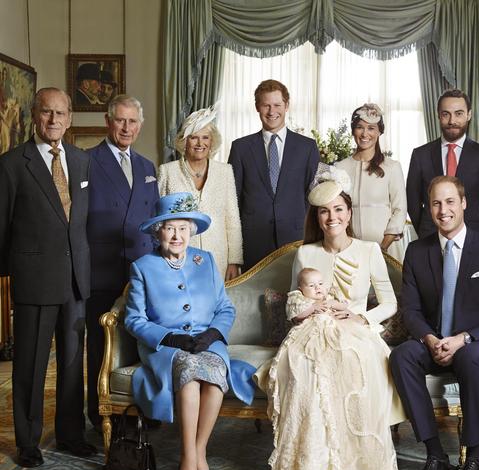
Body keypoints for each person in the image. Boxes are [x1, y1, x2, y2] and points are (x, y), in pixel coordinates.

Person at [255, 168, 405, 470]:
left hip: (357, 332)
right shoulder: (305, 253)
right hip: (311, 333)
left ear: (349, 213)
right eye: (324, 211)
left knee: (354, 365)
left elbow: (390, 303)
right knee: (305, 371)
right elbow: (294, 300)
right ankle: (314, 466)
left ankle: (357, 467)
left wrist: (360, 317)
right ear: (317, 217)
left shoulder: (369, 250)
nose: (331, 217)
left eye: (338, 209)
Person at [390, 176, 479, 470]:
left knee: (471, 357)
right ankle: (436, 456)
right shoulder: (417, 251)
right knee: (402, 355)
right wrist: (430, 339)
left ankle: (474, 458)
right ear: (429, 208)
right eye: (435, 203)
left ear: (463, 204)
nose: (443, 209)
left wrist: (463, 339)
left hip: (477, 342)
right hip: (434, 340)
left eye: (449, 202)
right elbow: (411, 310)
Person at [124, 192, 256, 470]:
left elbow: (225, 308)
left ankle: (197, 451)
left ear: (191, 231)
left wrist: (212, 335)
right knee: (191, 374)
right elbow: (134, 320)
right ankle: (188, 456)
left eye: (183, 228)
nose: (177, 235)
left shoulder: (206, 261)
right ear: (158, 232)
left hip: (206, 341)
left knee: (213, 376)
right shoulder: (142, 267)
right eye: (169, 228)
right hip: (166, 347)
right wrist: (170, 338)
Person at [0, 87, 96, 467]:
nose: (53, 120)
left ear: (69, 118)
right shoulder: (11, 164)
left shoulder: (80, 160)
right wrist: (11, 277)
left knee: (72, 364)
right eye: (46, 113)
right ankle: (27, 441)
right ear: (34, 115)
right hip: (34, 279)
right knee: (30, 364)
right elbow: (1, 227)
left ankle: (71, 434)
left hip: (76, 279)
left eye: (60, 113)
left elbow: (80, 222)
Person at [86, 94, 159, 430]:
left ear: (140, 126)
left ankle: (142, 409)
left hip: (141, 269)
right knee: (102, 346)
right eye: (121, 120)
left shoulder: (146, 167)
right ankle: (101, 412)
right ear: (108, 121)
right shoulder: (87, 161)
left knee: (140, 343)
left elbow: (155, 220)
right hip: (102, 268)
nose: (127, 127)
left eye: (133, 122)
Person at [228, 79, 320, 271]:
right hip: (253, 242)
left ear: (287, 105)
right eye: (266, 105)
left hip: (296, 239)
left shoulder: (307, 147)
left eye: (277, 105)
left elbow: (313, 197)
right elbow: (232, 201)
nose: (272, 112)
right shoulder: (241, 148)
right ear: (257, 107)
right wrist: (233, 254)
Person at [158, 104, 243, 280]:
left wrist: (234, 261)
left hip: (219, 258)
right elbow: (158, 219)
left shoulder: (225, 171)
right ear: (184, 141)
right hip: (178, 257)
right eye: (194, 137)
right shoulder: (167, 171)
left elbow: (233, 219)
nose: (200, 143)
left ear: (212, 142)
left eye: (205, 138)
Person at [407, 89, 479, 238]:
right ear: (438, 115)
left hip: (473, 238)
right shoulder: (420, 155)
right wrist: (427, 231)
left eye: (459, 113)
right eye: (446, 114)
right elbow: (413, 203)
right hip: (430, 238)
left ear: (469, 114)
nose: (452, 121)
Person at [335, 103, 407, 261]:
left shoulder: (392, 167)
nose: (365, 133)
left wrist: (382, 247)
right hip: (349, 250)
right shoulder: (340, 168)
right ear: (353, 130)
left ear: (380, 131)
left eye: (371, 128)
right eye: (360, 127)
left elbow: (399, 210)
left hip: (385, 249)